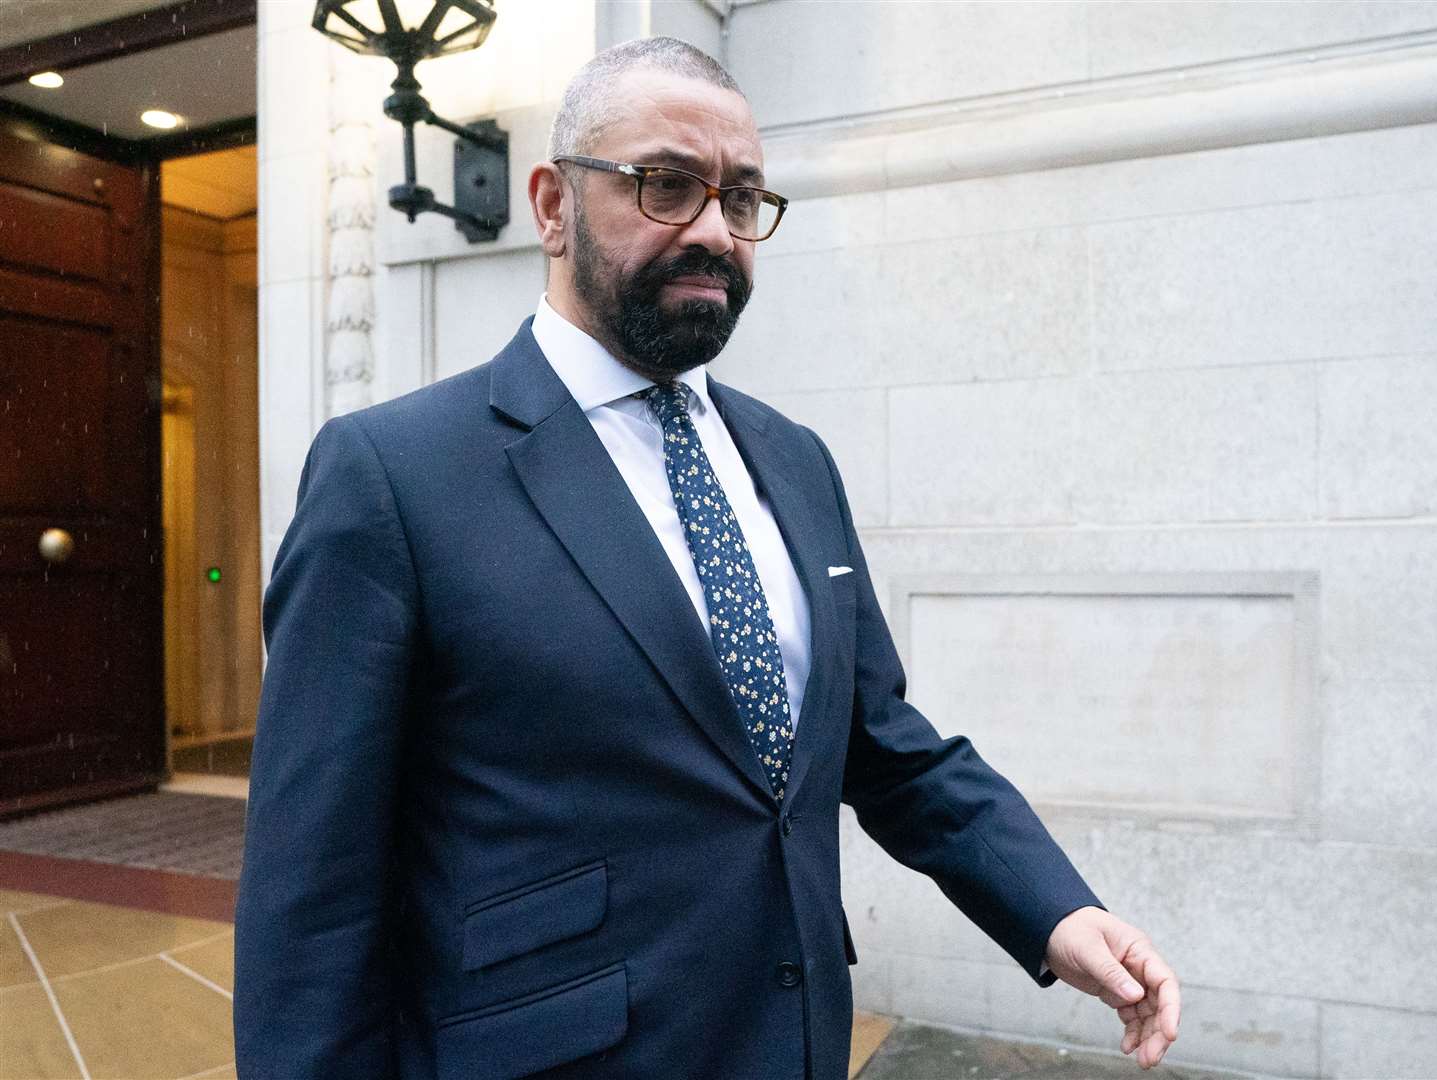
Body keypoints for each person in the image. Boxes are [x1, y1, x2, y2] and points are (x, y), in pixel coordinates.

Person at [234, 35, 1180, 1080]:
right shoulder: (392, 476)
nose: (713, 231)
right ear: (552, 205)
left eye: (742, 200)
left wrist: (1057, 910)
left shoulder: (796, 460)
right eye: (667, 185)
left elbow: (882, 743)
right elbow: (309, 896)